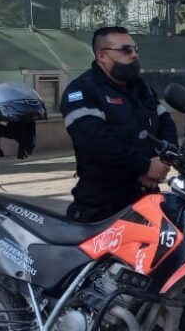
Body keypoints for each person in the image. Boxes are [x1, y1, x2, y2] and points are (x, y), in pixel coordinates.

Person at [59, 26, 177, 222]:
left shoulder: (142, 88)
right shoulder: (83, 91)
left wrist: (162, 161)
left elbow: (166, 124)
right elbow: (96, 142)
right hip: (103, 205)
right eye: (125, 50)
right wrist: (144, 166)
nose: (133, 55)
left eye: (135, 50)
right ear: (102, 56)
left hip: (147, 198)